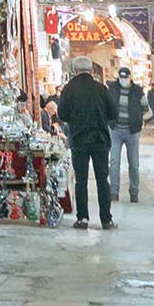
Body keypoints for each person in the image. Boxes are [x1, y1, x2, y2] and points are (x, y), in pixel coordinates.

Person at [57, 56, 119, 231]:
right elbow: (113, 112)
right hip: (100, 139)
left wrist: (76, 120)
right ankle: (106, 220)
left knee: (81, 181)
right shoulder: (101, 88)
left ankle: (82, 218)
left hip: (79, 140)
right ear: (91, 71)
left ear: (75, 71)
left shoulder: (69, 89)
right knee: (102, 180)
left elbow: (62, 114)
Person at [107, 67, 145, 203]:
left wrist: (140, 122)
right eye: (121, 77)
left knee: (134, 163)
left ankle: (134, 192)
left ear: (130, 76)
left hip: (132, 131)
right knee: (114, 162)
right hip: (115, 130)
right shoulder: (112, 89)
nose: (123, 79)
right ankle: (113, 192)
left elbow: (146, 109)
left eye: (125, 77)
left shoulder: (138, 91)